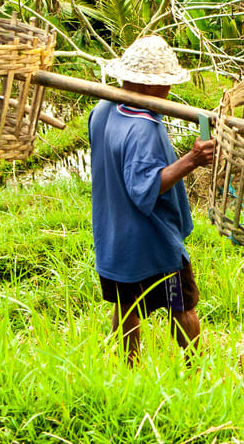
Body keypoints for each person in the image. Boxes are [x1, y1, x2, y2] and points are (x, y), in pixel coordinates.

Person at [89, 35, 217, 363]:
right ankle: (195, 370)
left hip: (114, 241)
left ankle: (129, 369)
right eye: (165, 85)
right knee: (180, 307)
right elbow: (144, 189)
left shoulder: (102, 108)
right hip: (152, 247)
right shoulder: (144, 127)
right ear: (148, 87)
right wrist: (192, 160)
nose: (169, 92)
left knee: (126, 304)